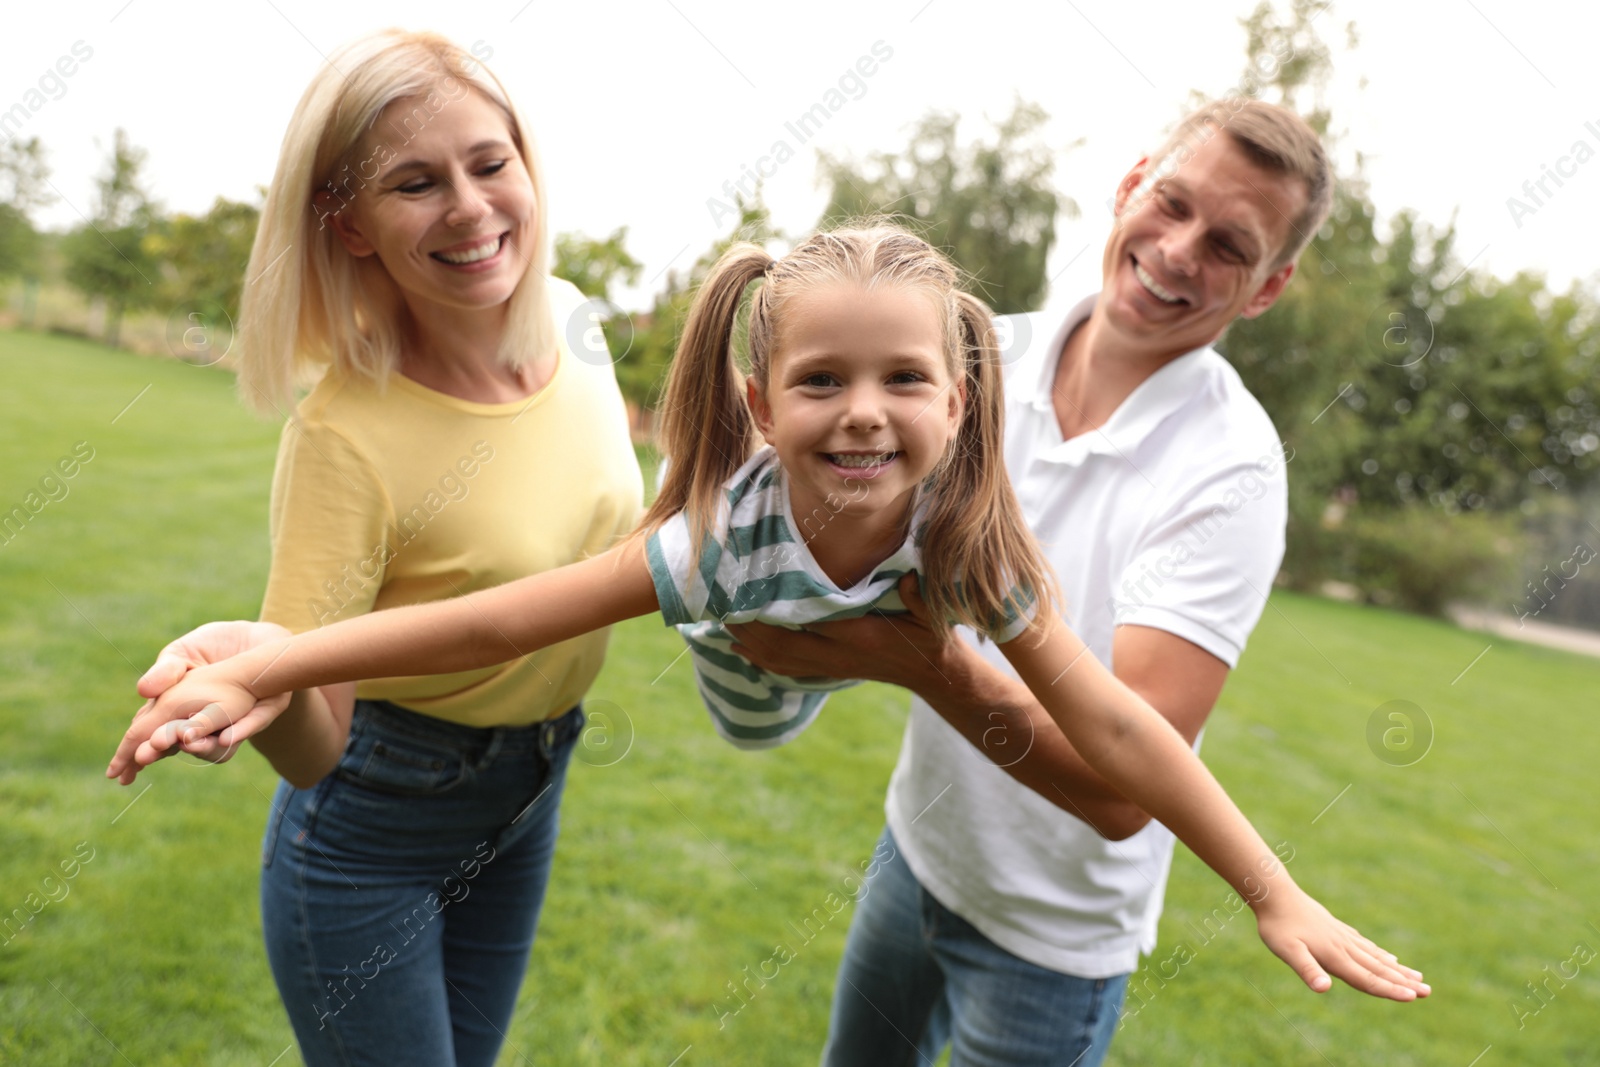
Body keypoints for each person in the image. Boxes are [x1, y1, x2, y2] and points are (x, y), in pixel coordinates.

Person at [110, 226, 1429, 1025]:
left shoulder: (971, 533)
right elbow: (502, 613)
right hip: (755, 667)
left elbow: (1115, 721)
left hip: (879, 617)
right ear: (760, 391)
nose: (865, 410)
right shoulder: (720, 544)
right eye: (821, 382)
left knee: (976, 636)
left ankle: (862, 573)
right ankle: (777, 494)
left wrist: (1274, 887)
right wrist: (277, 655)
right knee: (695, 566)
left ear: (964, 399)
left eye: (905, 378)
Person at [722, 99, 1357, 1066]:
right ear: (1130, 184)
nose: (1181, 250)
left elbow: (1119, 794)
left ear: (1268, 288)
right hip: (919, 850)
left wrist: (917, 661)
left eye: (1230, 244)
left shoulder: (1235, 469)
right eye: (1173, 202)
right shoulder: (970, 362)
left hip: (1055, 941)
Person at [110, 30, 644, 1067]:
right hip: (377, 830)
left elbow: (622, 530)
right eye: (415, 183)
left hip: (531, 787)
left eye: (490, 163)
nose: (472, 207)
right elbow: (316, 748)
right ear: (350, 226)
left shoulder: (577, 323)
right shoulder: (344, 433)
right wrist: (259, 686)